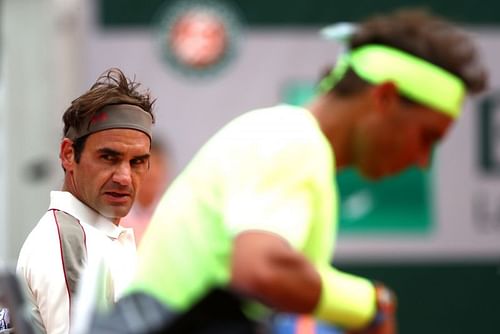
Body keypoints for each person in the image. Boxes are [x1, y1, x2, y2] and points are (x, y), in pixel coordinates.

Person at [89, 9, 487, 334]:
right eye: (427, 137)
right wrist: (370, 304)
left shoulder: (289, 139)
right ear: (383, 97)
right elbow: (261, 267)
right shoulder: (293, 138)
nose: (423, 160)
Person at [16, 68, 156, 334]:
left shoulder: (102, 235)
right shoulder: (70, 240)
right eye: (108, 157)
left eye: (137, 162)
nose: (125, 177)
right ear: (68, 154)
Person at [121, 139, 171, 245]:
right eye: (147, 164)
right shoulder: (119, 214)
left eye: (158, 163)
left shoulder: (172, 213)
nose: (153, 171)